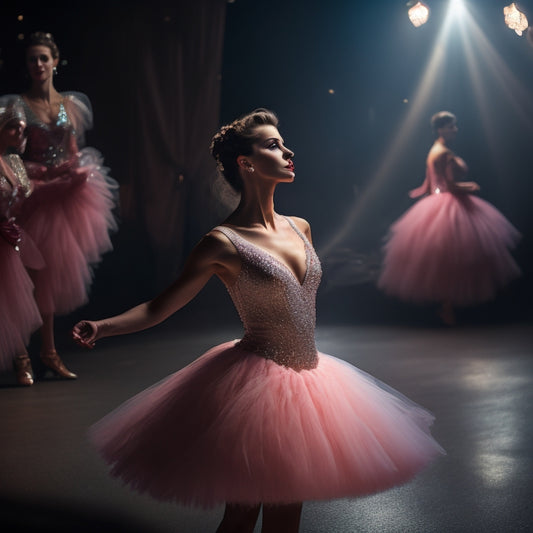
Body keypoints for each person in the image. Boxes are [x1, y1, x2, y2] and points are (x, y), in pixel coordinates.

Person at [72, 108, 444, 533]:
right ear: (244, 164)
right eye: (273, 145)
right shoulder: (221, 242)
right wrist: (102, 327)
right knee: (243, 513)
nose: (288, 152)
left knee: (287, 513)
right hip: (257, 388)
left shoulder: (300, 226)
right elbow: (159, 308)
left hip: (313, 382)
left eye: (283, 143)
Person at [11, 31, 118, 379]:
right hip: (31, 196)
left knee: (50, 280)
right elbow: (11, 154)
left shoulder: (70, 104)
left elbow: (72, 149)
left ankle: (48, 353)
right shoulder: (16, 105)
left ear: (55, 61)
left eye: (43, 58)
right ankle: (21, 356)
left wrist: (72, 172)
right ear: (27, 65)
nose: (38, 64)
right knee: (21, 281)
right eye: (32, 59)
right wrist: (36, 175)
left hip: (62, 198)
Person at [377, 111, 521, 325]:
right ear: (439, 129)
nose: (455, 129)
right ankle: (449, 309)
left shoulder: (433, 150)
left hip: (438, 201)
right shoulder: (442, 152)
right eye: (451, 126)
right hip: (448, 201)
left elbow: (428, 184)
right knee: (453, 257)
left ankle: (448, 308)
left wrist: (423, 193)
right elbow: (450, 186)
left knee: (449, 257)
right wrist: (470, 187)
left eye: (455, 125)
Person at [0, 98, 44, 386]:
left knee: (13, 301)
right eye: (15, 127)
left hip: (9, 235)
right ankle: (20, 360)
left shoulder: (14, 161)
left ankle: (20, 358)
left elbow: (26, 194)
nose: (21, 134)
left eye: (23, 129)